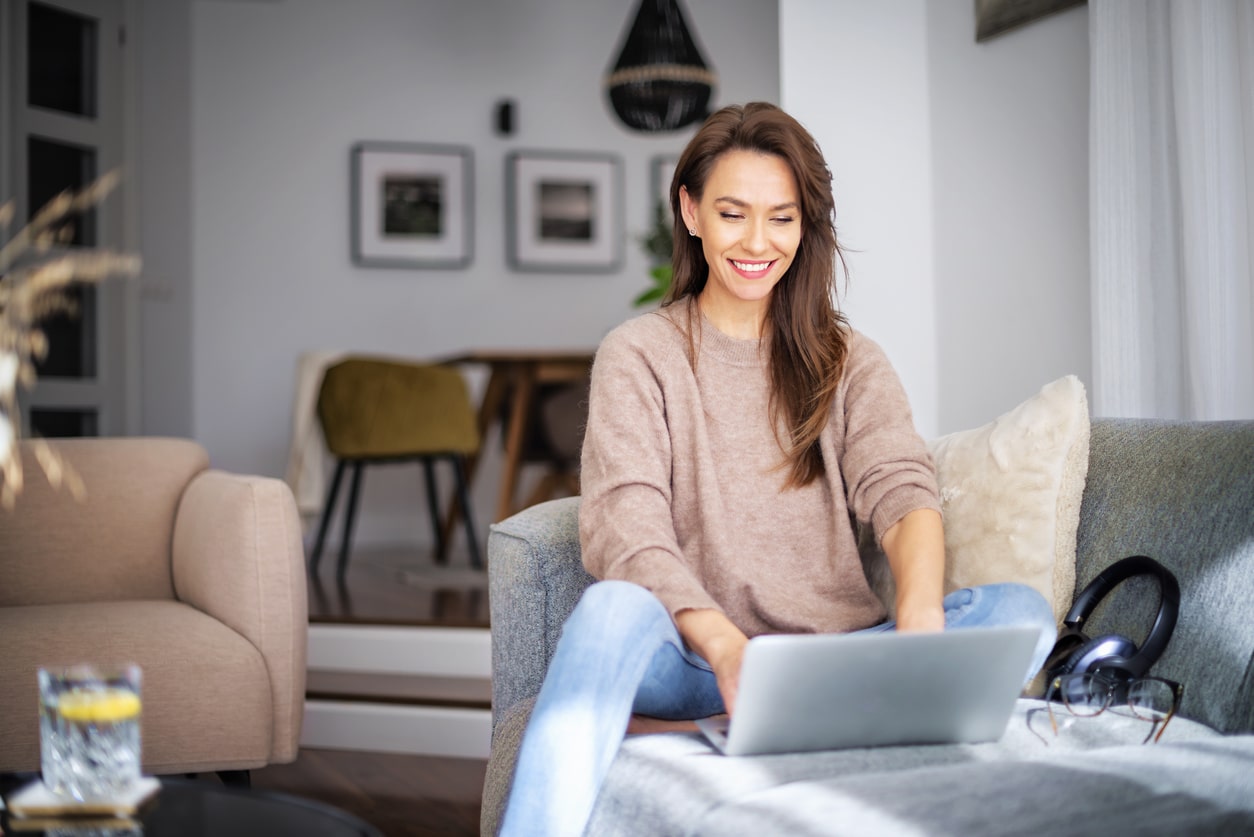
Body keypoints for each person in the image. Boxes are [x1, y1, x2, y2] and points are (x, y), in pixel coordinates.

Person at [497, 102, 1056, 837]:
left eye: (782, 218)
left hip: (836, 656)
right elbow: (625, 531)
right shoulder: (640, 353)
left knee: (1023, 614)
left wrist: (920, 617)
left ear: (806, 225)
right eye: (733, 214)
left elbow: (902, 489)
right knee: (610, 608)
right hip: (698, 659)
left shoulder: (848, 360)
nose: (757, 242)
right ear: (691, 211)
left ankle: (740, 729)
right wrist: (729, 650)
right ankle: (722, 728)